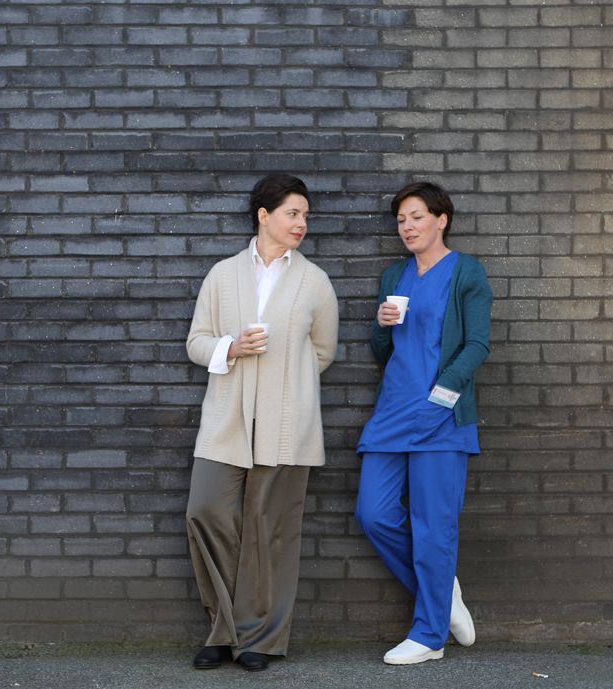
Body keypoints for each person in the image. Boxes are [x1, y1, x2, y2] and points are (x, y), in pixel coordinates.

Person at [184, 173, 339, 672]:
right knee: (206, 511)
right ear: (264, 215)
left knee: (270, 529)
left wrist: (285, 384)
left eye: (306, 216)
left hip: (287, 425)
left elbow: (322, 352)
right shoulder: (223, 275)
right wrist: (230, 348)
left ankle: (258, 639)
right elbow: (196, 342)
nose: (301, 223)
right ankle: (224, 628)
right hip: (226, 419)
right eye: (293, 213)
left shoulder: (315, 282)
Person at [353, 181, 492, 665]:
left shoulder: (466, 271)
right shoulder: (396, 274)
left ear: (441, 219)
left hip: (441, 416)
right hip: (393, 412)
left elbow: (477, 344)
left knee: (434, 529)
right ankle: (441, 590)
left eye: (416, 217)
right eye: (401, 220)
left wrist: (442, 395)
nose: (407, 227)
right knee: (373, 513)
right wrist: (381, 325)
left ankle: (430, 636)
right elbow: (382, 350)